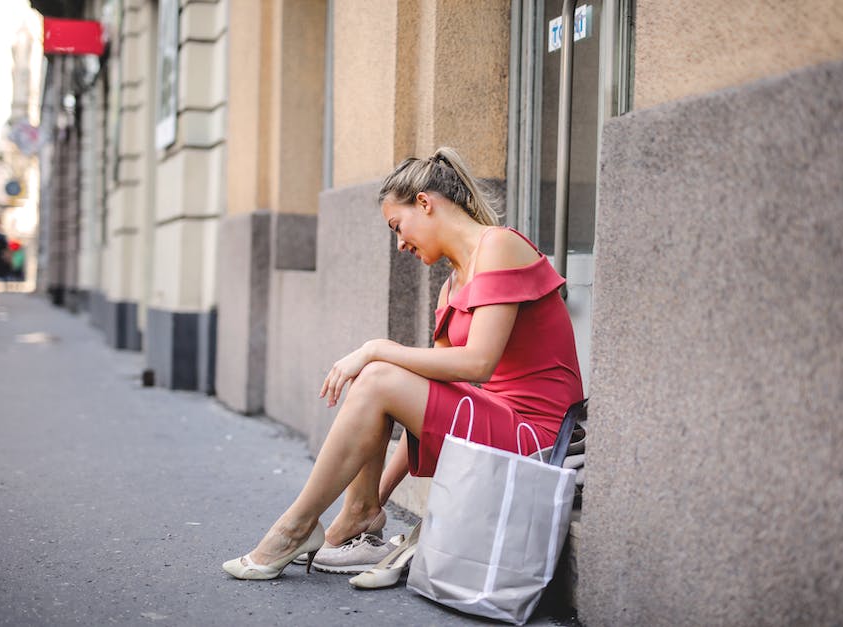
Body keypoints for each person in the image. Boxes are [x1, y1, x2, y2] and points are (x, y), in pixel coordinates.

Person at [223, 147, 584, 581]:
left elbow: (479, 364)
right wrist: (382, 495)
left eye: (398, 226)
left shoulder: (500, 246)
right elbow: (422, 406)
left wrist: (376, 347)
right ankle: (360, 514)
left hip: (540, 439)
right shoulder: (451, 287)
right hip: (499, 423)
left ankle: (295, 527)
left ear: (425, 203)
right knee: (379, 379)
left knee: (377, 373)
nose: (399, 244)